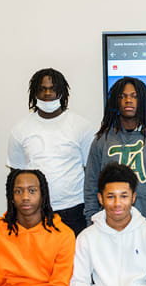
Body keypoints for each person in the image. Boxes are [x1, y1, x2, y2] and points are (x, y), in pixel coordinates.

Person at [84, 76, 146, 237]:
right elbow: (91, 186)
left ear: (143, 101)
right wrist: (92, 220)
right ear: (115, 101)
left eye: (134, 96)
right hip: (109, 226)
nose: (128, 100)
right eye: (123, 96)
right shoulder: (102, 141)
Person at [8, 68, 97, 235]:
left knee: (74, 260)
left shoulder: (82, 126)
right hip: (36, 211)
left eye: (53, 88)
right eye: (42, 88)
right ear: (34, 92)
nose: (47, 93)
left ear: (62, 92)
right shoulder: (20, 129)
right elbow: (17, 176)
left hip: (74, 209)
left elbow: (91, 172)